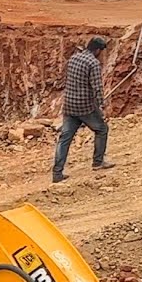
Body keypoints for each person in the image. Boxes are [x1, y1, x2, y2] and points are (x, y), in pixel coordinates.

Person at [52, 36, 115, 183]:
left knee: (65, 138)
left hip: (69, 105)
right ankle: (98, 162)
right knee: (101, 129)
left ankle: (57, 173)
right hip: (85, 107)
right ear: (98, 50)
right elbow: (97, 88)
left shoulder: (74, 58)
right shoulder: (93, 63)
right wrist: (101, 107)